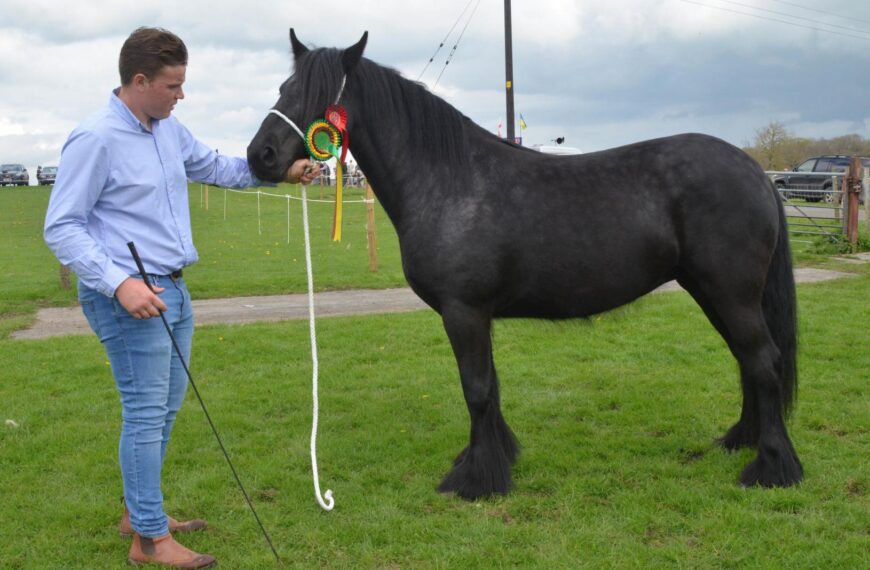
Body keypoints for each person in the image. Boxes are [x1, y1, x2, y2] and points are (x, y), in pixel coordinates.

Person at [44, 27, 318, 569]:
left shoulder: (167, 128)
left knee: (163, 409)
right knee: (145, 412)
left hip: (173, 287)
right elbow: (62, 226)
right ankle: (149, 540)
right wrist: (120, 283)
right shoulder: (96, 137)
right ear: (139, 80)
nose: (181, 95)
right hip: (129, 294)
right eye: (173, 85)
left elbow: (215, 168)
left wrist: (280, 174)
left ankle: (137, 511)